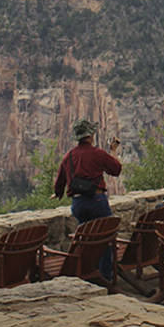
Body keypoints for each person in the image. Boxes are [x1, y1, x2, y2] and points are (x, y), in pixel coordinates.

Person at [53, 119, 122, 281]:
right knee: (105, 237)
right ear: (90, 136)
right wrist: (113, 151)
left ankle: (86, 271)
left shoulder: (69, 156)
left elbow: (60, 181)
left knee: (85, 238)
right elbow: (116, 169)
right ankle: (106, 276)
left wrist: (57, 193)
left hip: (78, 204)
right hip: (97, 201)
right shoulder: (97, 153)